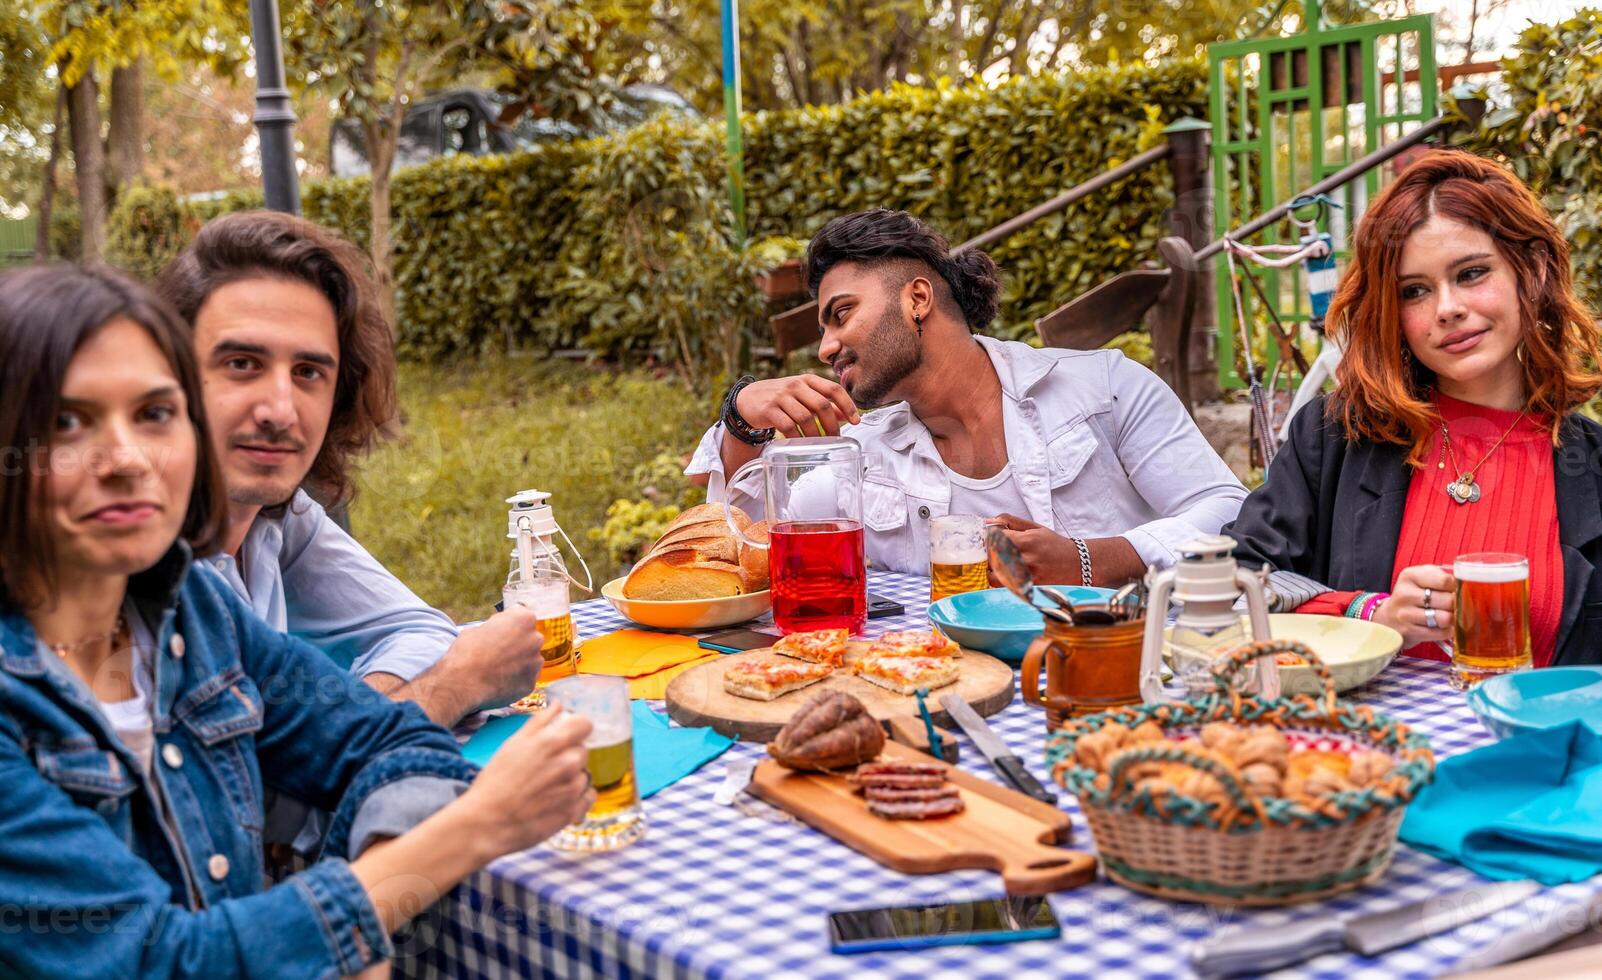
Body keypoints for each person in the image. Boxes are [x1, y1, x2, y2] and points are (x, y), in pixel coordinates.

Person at [0, 263, 595, 977]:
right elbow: (162, 959)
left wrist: (367, 909)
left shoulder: (190, 608)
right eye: (67, 421)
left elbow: (386, 738)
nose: (127, 459)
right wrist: (471, 829)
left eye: (155, 413)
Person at [687, 208, 1246, 586]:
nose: (827, 347)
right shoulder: (862, 448)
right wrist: (740, 418)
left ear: (918, 299)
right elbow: (746, 541)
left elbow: (1232, 512)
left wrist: (1089, 559)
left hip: (1120, 669)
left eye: (841, 315)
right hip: (939, 687)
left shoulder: (1105, 389)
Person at [156, 211, 539, 728]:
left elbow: (418, 630)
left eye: (308, 372)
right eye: (242, 363)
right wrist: (455, 684)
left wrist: (356, 718)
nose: (281, 410)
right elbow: (248, 780)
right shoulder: (137, 554)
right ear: (167, 374)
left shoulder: (275, 517)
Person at [1223, 149, 1602, 668]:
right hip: (1361, 744)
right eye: (1416, 291)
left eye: (1471, 273)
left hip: (1546, 746)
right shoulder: (1334, 437)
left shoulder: (1593, 466)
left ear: (1530, 271)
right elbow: (1232, 581)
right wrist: (1369, 613)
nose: (1447, 308)